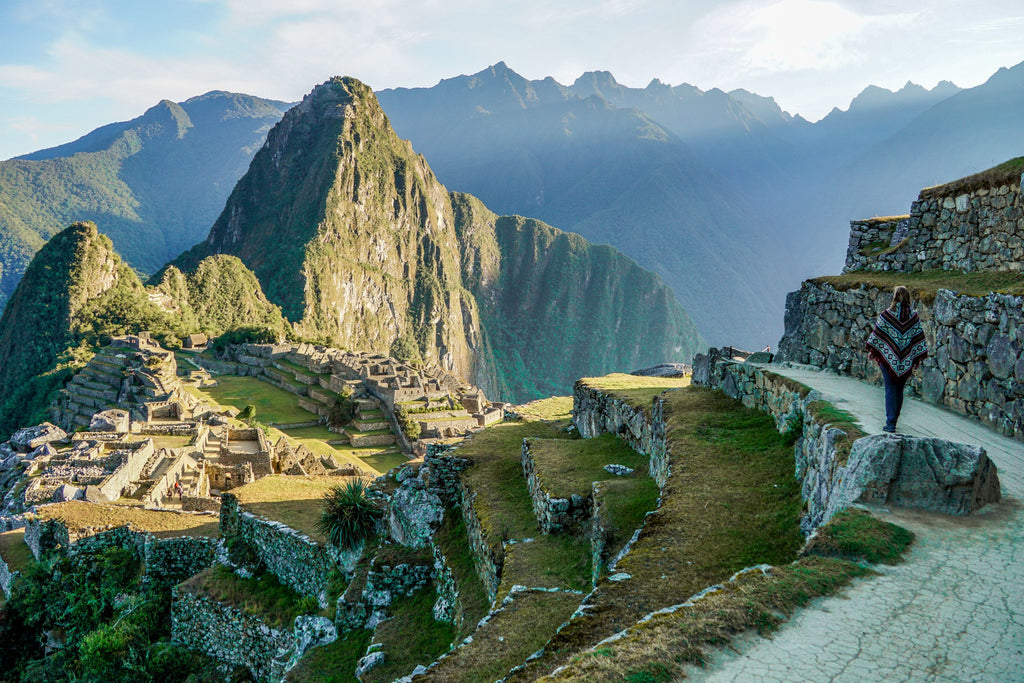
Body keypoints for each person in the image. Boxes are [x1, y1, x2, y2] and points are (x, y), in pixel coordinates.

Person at [866, 285, 928, 433]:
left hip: (887, 359)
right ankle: (894, 419)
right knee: (899, 389)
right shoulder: (913, 317)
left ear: (894, 297)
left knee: (890, 389)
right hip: (906, 361)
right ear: (907, 297)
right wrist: (912, 357)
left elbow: (878, 336)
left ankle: (890, 422)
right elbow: (918, 338)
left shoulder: (887, 315)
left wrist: (873, 350)